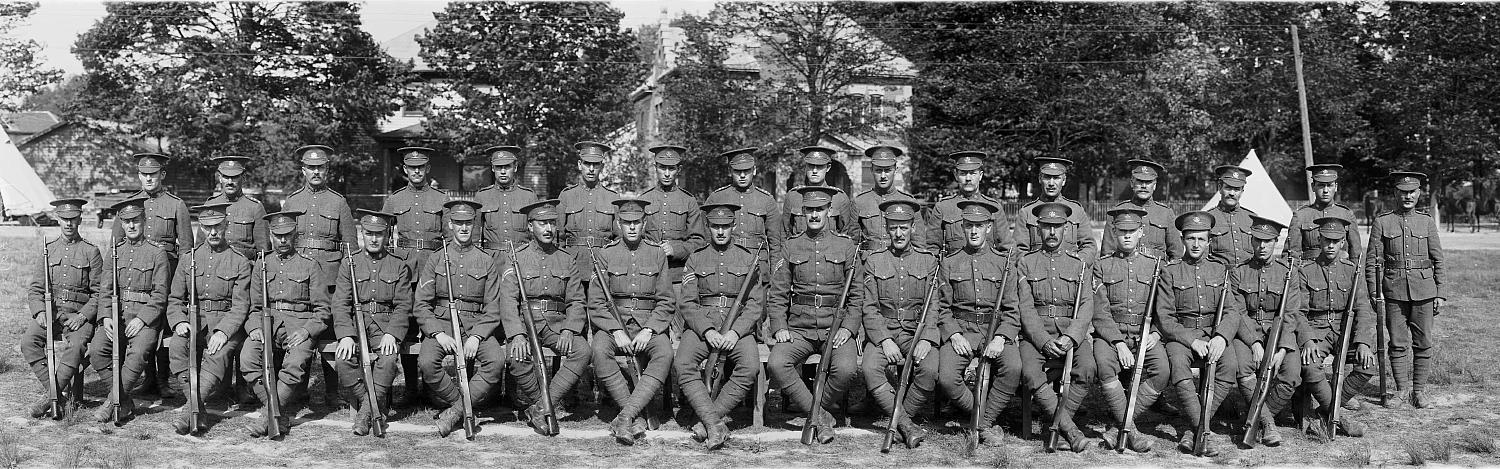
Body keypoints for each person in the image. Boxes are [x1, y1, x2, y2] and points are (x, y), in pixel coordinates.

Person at [766, 186, 864, 443]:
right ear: (802, 213)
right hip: (800, 326)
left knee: (846, 369)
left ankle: (813, 413)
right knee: (777, 363)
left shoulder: (846, 247)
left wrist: (849, 328)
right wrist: (779, 326)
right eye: (809, 210)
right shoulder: (791, 246)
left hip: (836, 326)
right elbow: (777, 294)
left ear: (829, 211)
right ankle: (821, 416)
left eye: (819, 209)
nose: (814, 215)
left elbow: (857, 295)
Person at [675, 203, 764, 449]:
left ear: (733, 226)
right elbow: (688, 303)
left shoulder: (748, 259)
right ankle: (714, 423)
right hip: (703, 323)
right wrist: (707, 330)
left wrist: (736, 332)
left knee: (750, 366)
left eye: (726, 226)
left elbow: (756, 304)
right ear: (708, 227)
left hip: (738, 325)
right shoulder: (696, 257)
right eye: (716, 226)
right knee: (683, 364)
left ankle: (707, 419)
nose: (721, 232)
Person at [413, 199, 505, 437]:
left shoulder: (486, 260)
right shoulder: (436, 258)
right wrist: (437, 333)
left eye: (468, 223)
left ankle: (454, 412)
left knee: (495, 362)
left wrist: (477, 336)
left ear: (475, 225)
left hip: (477, 325)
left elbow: (493, 306)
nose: (464, 228)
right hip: (442, 324)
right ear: (450, 225)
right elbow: (422, 303)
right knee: (427, 362)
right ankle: (463, 407)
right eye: (458, 223)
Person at [588, 198, 676, 445]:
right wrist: (615, 330)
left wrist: (650, 329)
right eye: (626, 223)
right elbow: (595, 302)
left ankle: (625, 416)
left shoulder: (657, 253)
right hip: (615, 324)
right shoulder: (605, 255)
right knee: (598, 349)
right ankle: (632, 413)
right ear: (618, 224)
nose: (632, 227)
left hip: (648, 325)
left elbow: (667, 301)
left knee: (665, 353)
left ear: (644, 223)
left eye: (637, 222)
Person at [935, 199, 1022, 446]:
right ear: (962, 228)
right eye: (968, 225)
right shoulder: (950, 262)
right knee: (946, 377)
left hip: (994, 331)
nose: (974, 231)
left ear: (989, 228)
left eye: (979, 225)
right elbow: (942, 307)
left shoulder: (1003, 263)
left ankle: (981, 421)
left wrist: (1001, 337)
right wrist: (953, 334)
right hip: (962, 331)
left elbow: (1012, 309)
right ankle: (984, 421)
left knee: (1013, 368)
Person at [1156, 211, 1243, 456]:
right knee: (1178, 363)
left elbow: (1232, 312)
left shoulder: (1220, 270)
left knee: (1229, 364)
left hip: (1212, 334)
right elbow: (1165, 318)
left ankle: (1193, 429)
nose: (1196, 244)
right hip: (1181, 335)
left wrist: (1221, 337)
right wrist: (1191, 340)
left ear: (1209, 241)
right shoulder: (1170, 271)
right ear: (1182, 239)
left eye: (1201, 239)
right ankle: (1203, 430)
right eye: (1191, 238)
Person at [859, 198, 943, 449]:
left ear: (912, 228)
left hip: (916, 332)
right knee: (870, 368)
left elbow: (934, 305)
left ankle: (897, 421)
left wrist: (927, 338)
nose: (898, 233)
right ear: (886, 229)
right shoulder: (874, 260)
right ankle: (907, 425)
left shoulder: (928, 261)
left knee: (930, 370)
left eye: (903, 227)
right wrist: (883, 340)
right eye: (893, 228)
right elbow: (869, 307)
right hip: (884, 331)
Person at [502, 199, 590, 436]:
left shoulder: (566, 258)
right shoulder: (516, 257)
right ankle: (540, 404)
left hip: (556, 322)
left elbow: (576, 300)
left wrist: (570, 329)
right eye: (542, 223)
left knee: (582, 351)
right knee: (516, 355)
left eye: (552, 223)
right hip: (525, 320)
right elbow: (508, 300)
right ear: (530, 227)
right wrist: (517, 334)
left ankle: (539, 406)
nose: (549, 229)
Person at [241, 210, 332, 438]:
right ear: (271, 236)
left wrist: (306, 331)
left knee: (294, 365)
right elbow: (254, 307)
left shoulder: (310, 265)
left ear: (295, 235)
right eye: (277, 235)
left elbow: (322, 310)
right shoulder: (262, 264)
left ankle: (268, 416)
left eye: (287, 235)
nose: (282, 240)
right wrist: (254, 328)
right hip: (267, 325)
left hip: (299, 326)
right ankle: (277, 414)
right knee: (247, 359)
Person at [166, 203, 253, 435]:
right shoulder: (188, 259)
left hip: (227, 324)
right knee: (176, 346)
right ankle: (198, 408)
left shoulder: (240, 261)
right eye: (207, 228)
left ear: (227, 225)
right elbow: (175, 298)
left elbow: (241, 305)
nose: (213, 233)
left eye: (218, 227)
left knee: (217, 352)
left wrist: (224, 332)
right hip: (195, 321)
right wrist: (179, 321)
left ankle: (189, 412)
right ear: (201, 229)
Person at [1015, 202, 1095, 452]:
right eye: (1047, 226)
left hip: (1069, 332)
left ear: (1066, 230)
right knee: (1029, 372)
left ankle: (1058, 424)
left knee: (1088, 369)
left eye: (1057, 227)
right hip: (1036, 334)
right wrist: (1042, 340)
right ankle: (1070, 430)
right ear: (1038, 229)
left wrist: (1071, 337)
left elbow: (1086, 305)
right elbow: (1025, 308)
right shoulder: (1026, 263)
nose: (1052, 232)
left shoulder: (1078, 263)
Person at [1092, 207, 1169, 453]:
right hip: (1111, 334)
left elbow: (1164, 308)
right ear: (1114, 232)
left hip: (1145, 333)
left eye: (1131, 231)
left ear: (1141, 232)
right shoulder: (1101, 266)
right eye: (1122, 231)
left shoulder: (1155, 266)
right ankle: (1132, 431)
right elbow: (1100, 312)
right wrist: (1118, 342)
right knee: (1104, 366)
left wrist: (1156, 332)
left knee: (1162, 371)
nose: (1126, 236)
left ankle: (1119, 427)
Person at [1365, 171, 1444, 409]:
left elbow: (1438, 258)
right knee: (1397, 343)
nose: (1408, 196)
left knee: (1423, 342)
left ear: (1419, 193)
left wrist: (1440, 292)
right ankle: (1401, 391)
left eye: (1412, 192)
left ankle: (1419, 392)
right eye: (1403, 191)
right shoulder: (1382, 221)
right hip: (1393, 290)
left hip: (1424, 290)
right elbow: (1371, 261)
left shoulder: (1426, 221)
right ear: (1395, 193)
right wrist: (1373, 292)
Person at [89, 196, 171, 423]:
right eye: (127, 222)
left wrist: (143, 320)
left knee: (137, 354)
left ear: (144, 221)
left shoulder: (157, 253)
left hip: (145, 318)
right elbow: (105, 289)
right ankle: (124, 401)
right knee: (97, 351)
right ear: (122, 225)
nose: (132, 225)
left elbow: (160, 295)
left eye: (136, 220)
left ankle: (112, 402)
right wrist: (105, 317)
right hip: (118, 316)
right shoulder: (115, 252)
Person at [331, 209, 413, 437]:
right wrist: (346, 335)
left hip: (385, 327)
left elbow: (404, 305)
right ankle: (376, 407)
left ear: (387, 235)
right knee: (343, 360)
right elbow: (340, 304)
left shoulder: (398, 265)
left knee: (387, 361)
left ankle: (365, 413)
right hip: (357, 326)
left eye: (379, 234)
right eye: (369, 234)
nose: (374, 239)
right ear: (361, 234)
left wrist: (393, 334)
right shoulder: (350, 263)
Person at [23, 198, 103, 419]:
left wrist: (83, 315)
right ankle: (59, 393)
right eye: (64, 219)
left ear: (79, 220)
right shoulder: (49, 250)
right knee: (28, 342)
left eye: (73, 219)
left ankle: (51, 396)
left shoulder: (91, 252)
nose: (69, 224)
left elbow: (100, 293)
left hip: (78, 317)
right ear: (57, 219)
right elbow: (36, 288)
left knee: (77, 346)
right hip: (52, 314)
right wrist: (40, 312)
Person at [1230, 215, 1303, 447]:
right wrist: (1253, 342)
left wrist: (1282, 348)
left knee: (1291, 374)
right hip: (1247, 332)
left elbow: (1291, 315)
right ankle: (1268, 424)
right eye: (1258, 241)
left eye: (1268, 241)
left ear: (1276, 242)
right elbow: (1238, 312)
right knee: (1243, 367)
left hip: (1279, 333)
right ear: (1251, 241)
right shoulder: (1239, 271)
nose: (1262, 246)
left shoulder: (1287, 273)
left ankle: (1258, 415)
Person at [1297, 215, 1373, 438]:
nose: (1330, 245)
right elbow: (1299, 312)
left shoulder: (1352, 271)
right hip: (1316, 329)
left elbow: (1362, 309)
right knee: (1310, 367)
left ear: (1343, 243)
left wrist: (1363, 343)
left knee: (1367, 366)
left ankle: (1323, 411)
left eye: (1336, 241)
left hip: (1345, 329)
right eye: (1326, 240)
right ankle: (1338, 416)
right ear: (1319, 240)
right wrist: (1308, 340)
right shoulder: (1306, 270)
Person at [281, 145, 357, 293]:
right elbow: (281, 240)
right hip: (297, 271)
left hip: (329, 275)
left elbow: (351, 246)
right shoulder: (292, 201)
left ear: (327, 169)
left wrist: (346, 277)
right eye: (311, 167)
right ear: (304, 170)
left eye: (320, 167)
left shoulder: (339, 202)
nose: (316, 172)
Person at [705, 148, 783, 276]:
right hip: (725, 267)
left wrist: (776, 277)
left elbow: (775, 244)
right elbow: (706, 238)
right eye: (737, 171)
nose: (742, 176)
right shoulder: (716, 198)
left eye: (746, 171)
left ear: (754, 170)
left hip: (757, 268)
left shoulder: (766, 200)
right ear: (730, 171)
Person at [114, 153, 193, 267]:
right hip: (134, 265)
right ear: (139, 176)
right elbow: (116, 243)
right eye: (145, 174)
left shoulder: (176, 204)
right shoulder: (128, 204)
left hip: (167, 266)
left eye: (153, 174)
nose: (148, 179)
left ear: (162, 175)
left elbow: (186, 248)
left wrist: (180, 279)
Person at [929, 151, 1012, 253]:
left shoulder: (994, 207)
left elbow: (1007, 248)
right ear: (956, 175)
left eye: (973, 173)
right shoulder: (943, 207)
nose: (968, 178)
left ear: (980, 175)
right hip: (953, 267)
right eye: (963, 174)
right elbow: (931, 248)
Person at [1015, 158, 1096, 261]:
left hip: (1070, 273)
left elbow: (1089, 246)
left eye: (1056, 178)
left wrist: (1078, 266)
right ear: (1040, 179)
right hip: (1037, 273)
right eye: (1047, 177)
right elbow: (1019, 251)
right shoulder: (1027, 212)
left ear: (1064, 180)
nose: (1051, 183)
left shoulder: (1076, 210)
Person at [382, 146, 448, 273]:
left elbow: (450, 238)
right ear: (405, 169)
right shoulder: (394, 199)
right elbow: (383, 235)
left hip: (433, 264)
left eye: (421, 167)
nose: (416, 171)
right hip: (403, 265)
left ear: (427, 168)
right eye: (412, 167)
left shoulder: (442, 199)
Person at [559, 141, 619, 279]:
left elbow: (619, 237)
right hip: (573, 266)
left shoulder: (612, 197)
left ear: (602, 166)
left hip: (604, 265)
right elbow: (558, 238)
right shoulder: (566, 196)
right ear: (580, 165)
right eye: (587, 163)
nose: (591, 169)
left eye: (596, 164)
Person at [1102, 159, 1182, 260]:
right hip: (1125, 271)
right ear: (1132, 183)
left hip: (1157, 272)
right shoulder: (1117, 212)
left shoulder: (1165, 213)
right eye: (1139, 181)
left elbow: (1176, 254)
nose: (1143, 186)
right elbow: (1107, 254)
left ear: (1155, 185)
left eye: (1148, 182)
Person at [852, 146, 927, 251]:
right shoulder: (860, 201)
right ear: (871, 170)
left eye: (887, 170)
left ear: (895, 170)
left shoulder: (909, 202)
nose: (883, 176)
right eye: (878, 170)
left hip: (899, 263)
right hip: (868, 263)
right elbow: (852, 243)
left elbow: (919, 244)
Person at [782, 146, 860, 241]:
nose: (814, 171)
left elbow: (846, 233)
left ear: (828, 168)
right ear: (806, 167)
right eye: (811, 166)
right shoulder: (793, 196)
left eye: (819, 166)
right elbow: (785, 233)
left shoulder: (839, 198)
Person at [1287, 164, 1362, 260]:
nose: (1326, 190)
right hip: (1309, 273)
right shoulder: (1301, 216)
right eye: (1321, 185)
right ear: (1313, 187)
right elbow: (1291, 255)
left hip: (1340, 272)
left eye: (1330, 185)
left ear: (1336, 187)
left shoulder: (1347, 215)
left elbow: (1356, 254)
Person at [475, 145, 537, 251]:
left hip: (522, 257)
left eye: (507, 166)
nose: (503, 171)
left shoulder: (529, 196)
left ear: (515, 167)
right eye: (499, 167)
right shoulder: (482, 196)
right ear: (493, 168)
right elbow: (474, 233)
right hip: (492, 258)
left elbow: (537, 232)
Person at [205, 155, 268, 259]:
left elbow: (263, 250)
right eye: (225, 177)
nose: (230, 182)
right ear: (220, 178)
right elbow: (201, 247)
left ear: (243, 178)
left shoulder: (255, 207)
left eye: (234, 177)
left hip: (245, 271)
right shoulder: (210, 206)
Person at [1206, 165, 1258, 266]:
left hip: (1247, 278)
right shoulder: (1208, 218)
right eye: (1228, 188)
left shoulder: (1252, 218)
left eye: (1237, 189)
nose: (1232, 193)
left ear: (1242, 191)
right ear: (1220, 188)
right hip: (1219, 277)